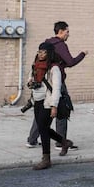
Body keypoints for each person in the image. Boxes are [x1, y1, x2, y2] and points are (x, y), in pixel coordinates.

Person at [26, 21, 87, 148]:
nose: (68, 35)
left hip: (43, 81)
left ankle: (32, 139)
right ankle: (61, 141)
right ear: (61, 31)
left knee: (42, 110)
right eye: (67, 32)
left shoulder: (46, 43)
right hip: (55, 80)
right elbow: (70, 62)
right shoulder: (61, 45)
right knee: (62, 110)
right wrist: (82, 54)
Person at [28, 42, 63, 170]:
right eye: (39, 51)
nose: (41, 54)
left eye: (44, 52)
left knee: (43, 129)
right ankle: (64, 142)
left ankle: (46, 159)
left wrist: (54, 106)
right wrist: (30, 82)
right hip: (37, 99)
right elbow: (30, 78)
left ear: (49, 54)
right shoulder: (36, 65)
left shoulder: (54, 68)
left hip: (47, 102)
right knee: (44, 128)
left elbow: (56, 88)